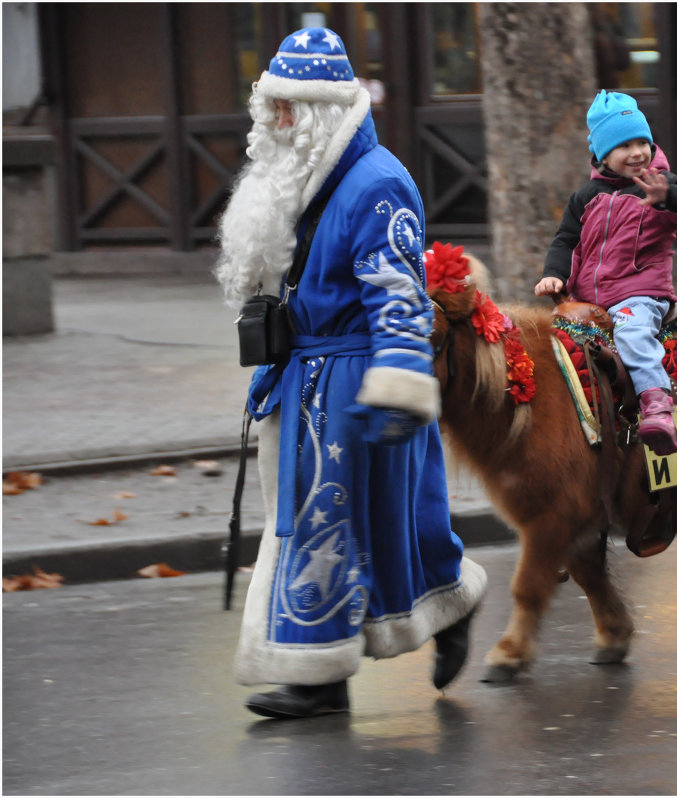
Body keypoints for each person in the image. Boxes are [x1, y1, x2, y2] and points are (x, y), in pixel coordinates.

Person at [214, 27, 486, 720]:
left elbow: (398, 295)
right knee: (352, 523)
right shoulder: (298, 177)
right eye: (271, 104)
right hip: (307, 381)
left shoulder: (378, 183)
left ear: (325, 111)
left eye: (290, 106)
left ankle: (332, 667)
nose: (276, 120)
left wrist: (397, 385)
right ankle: (327, 670)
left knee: (353, 521)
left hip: (355, 382)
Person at [535, 90, 677, 456]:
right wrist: (554, 274)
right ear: (602, 154)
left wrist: (668, 198)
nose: (636, 153)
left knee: (631, 333)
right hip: (588, 301)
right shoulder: (586, 196)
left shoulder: (660, 183)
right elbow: (566, 239)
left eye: (641, 142)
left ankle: (656, 402)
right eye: (624, 145)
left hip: (641, 294)